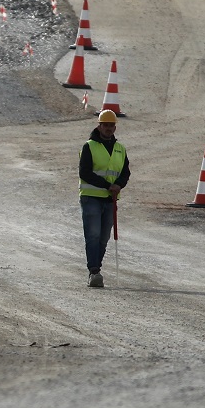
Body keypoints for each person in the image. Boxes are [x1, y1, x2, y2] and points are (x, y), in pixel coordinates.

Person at [78, 109, 130, 288]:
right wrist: (108, 185)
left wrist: (119, 185)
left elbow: (125, 173)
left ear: (115, 127)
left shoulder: (120, 149)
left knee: (103, 237)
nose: (108, 128)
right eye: (105, 125)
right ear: (99, 126)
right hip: (91, 197)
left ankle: (96, 268)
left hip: (110, 200)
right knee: (92, 235)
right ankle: (94, 271)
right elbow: (84, 173)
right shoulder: (89, 146)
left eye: (111, 125)